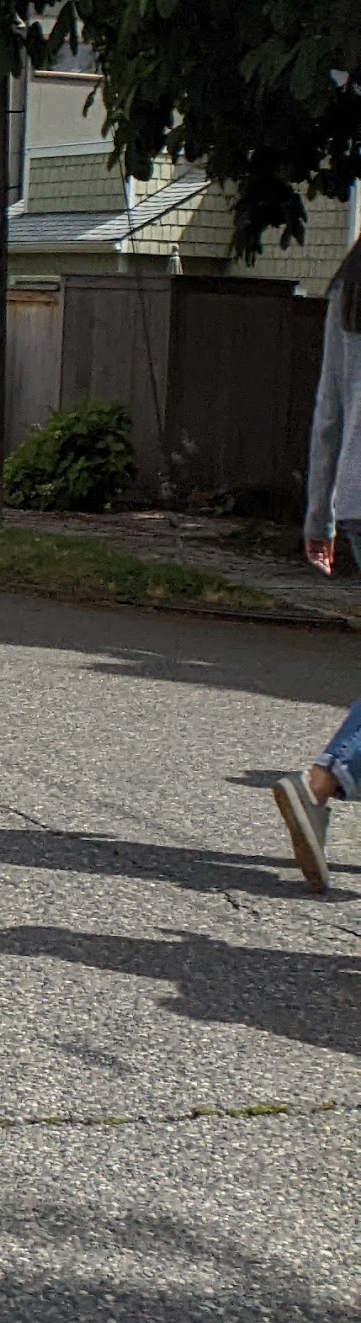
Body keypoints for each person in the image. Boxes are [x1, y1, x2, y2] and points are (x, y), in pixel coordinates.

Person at [275, 248, 361, 890]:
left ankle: (322, 788)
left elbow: (328, 407)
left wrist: (319, 513)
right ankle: (321, 782)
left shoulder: (351, 281)